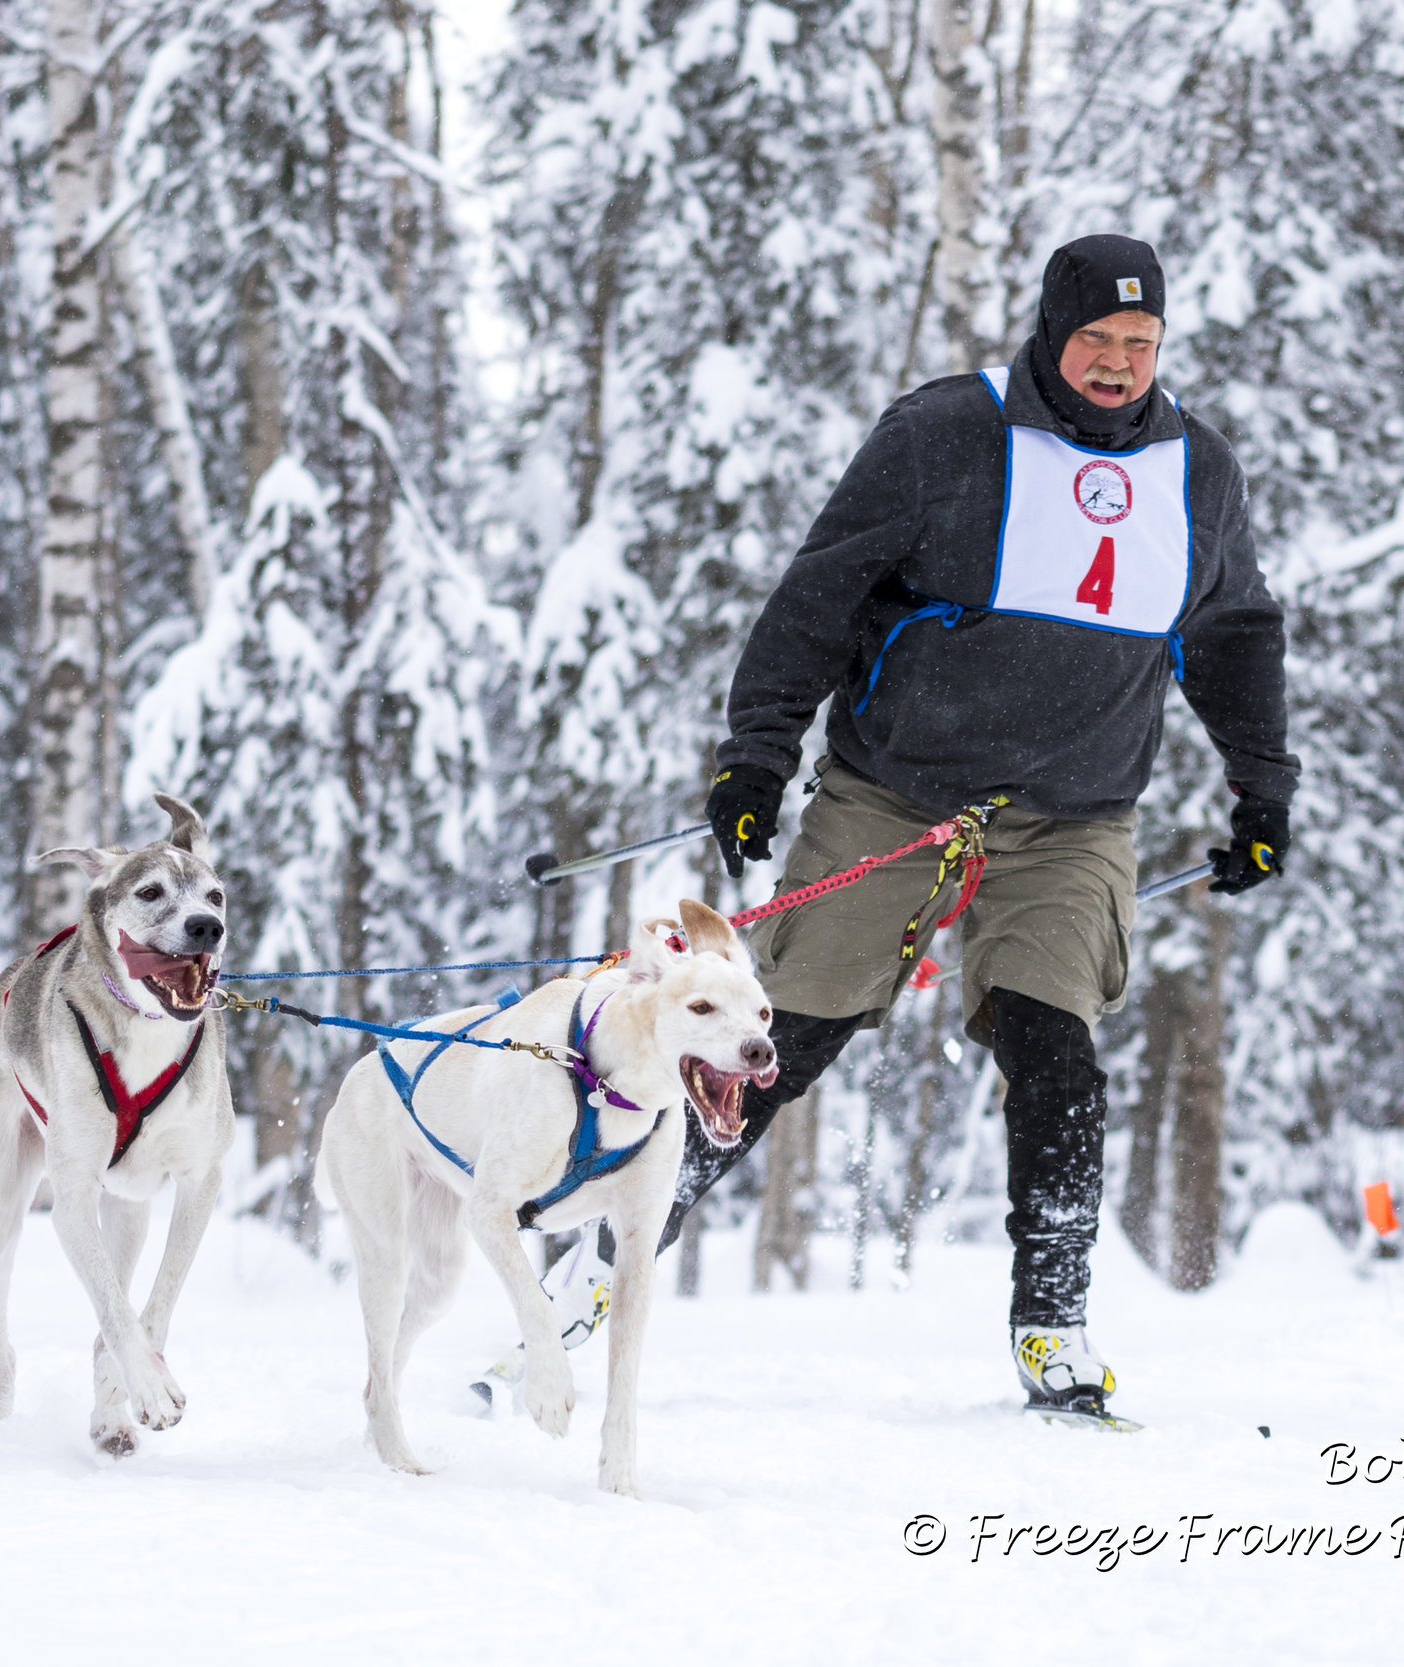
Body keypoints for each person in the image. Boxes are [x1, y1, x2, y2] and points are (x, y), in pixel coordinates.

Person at [509, 234, 1296, 1425]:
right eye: (1097, 341)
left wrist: (1261, 787)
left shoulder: (1199, 470)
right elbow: (818, 594)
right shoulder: (945, 436)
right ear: (1049, 330)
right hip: (896, 794)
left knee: (1055, 1051)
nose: (1119, 365)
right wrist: (756, 756)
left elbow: (1233, 632)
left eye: (1141, 345)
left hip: (1074, 817)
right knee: (770, 1046)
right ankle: (597, 1281)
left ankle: (1055, 1323)